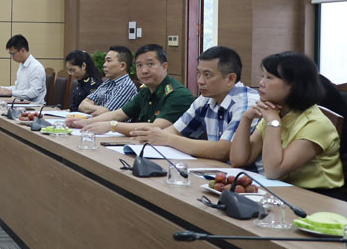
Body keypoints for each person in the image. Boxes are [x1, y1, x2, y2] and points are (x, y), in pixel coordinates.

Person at [230, 52, 345, 199]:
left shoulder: (315, 123)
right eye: (262, 76)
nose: (261, 83)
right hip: (285, 192)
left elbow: (274, 171)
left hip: (320, 197)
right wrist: (246, 118)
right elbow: (238, 160)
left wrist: (273, 122)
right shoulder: (276, 113)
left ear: (294, 85)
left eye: (269, 78)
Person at [130, 46, 260, 163]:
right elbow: (175, 130)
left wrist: (167, 139)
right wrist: (155, 137)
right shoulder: (205, 99)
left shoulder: (247, 102)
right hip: (218, 170)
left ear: (230, 79)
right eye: (198, 74)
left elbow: (224, 150)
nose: (200, 81)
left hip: (249, 176)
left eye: (207, 75)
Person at [71, 44, 194, 136]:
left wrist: (112, 126)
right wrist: (86, 122)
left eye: (150, 64)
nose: (144, 70)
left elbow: (156, 128)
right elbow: (119, 114)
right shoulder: (146, 91)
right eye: (139, 65)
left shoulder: (178, 94)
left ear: (164, 66)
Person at [76, 46, 138, 115]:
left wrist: (94, 108)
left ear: (122, 66)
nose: (104, 65)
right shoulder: (107, 82)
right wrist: (101, 108)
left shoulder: (126, 86)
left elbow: (106, 114)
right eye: (105, 61)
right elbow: (82, 106)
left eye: (108, 61)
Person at [0, 35, 47, 104]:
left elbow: (33, 93)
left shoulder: (36, 67)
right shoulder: (22, 65)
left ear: (22, 50)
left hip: (34, 107)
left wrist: (11, 92)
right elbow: (18, 88)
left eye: (13, 54)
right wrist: (1, 88)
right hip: (22, 103)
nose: (12, 57)